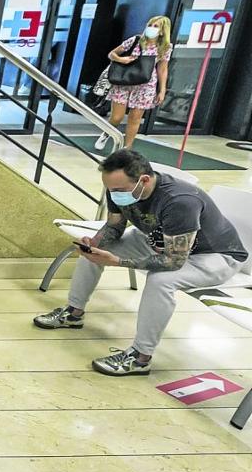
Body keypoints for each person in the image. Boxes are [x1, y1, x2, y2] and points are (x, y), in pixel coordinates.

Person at [34, 149, 247, 376]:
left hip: (214, 257)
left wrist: (119, 261)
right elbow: (114, 226)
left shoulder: (180, 201)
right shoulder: (118, 188)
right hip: (159, 240)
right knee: (96, 251)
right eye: (110, 189)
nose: (114, 195)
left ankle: (140, 357)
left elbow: (173, 262)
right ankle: (73, 313)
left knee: (161, 280)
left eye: (119, 190)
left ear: (144, 180)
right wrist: (95, 242)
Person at [95, 15, 172, 151]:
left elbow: (162, 68)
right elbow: (112, 54)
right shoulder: (136, 40)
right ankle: (106, 134)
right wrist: (120, 59)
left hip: (146, 84)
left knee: (135, 118)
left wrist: (162, 89)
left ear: (162, 31)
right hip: (124, 81)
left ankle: (127, 147)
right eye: (150, 25)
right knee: (117, 117)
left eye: (156, 26)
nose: (151, 28)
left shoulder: (165, 47)